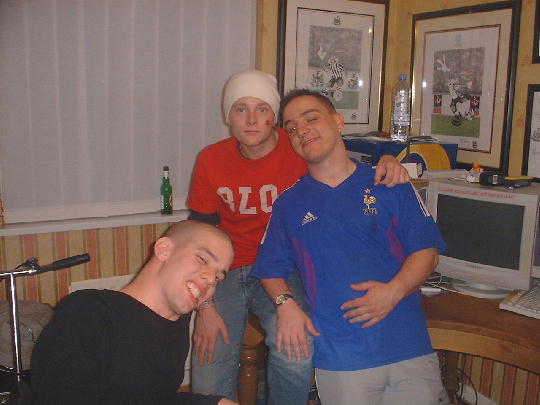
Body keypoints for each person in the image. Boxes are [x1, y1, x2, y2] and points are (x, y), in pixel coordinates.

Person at [187, 69, 410, 404]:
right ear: (228, 117)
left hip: (285, 267)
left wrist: (388, 159)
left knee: (296, 348)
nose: (251, 120)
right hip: (225, 271)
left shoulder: (299, 147)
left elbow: (342, 157)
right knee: (208, 360)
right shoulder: (211, 159)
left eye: (262, 109)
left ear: (274, 117)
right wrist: (204, 305)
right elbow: (198, 237)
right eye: (240, 109)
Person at [251, 89, 449, 405]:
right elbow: (269, 269)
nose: (302, 131)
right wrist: (285, 304)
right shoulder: (288, 205)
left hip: (408, 348)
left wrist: (392, 292)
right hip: (341, 360)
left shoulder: (390, 183)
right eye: (292, 128)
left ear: (338, 122)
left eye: (311, 119)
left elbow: (427, 251)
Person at [30, 220, 239, 405]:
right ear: (164, 249)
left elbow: (150, 399)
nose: (211, 279)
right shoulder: (88, 313)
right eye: (202, 259)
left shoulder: (175, 324)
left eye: (218, 277)